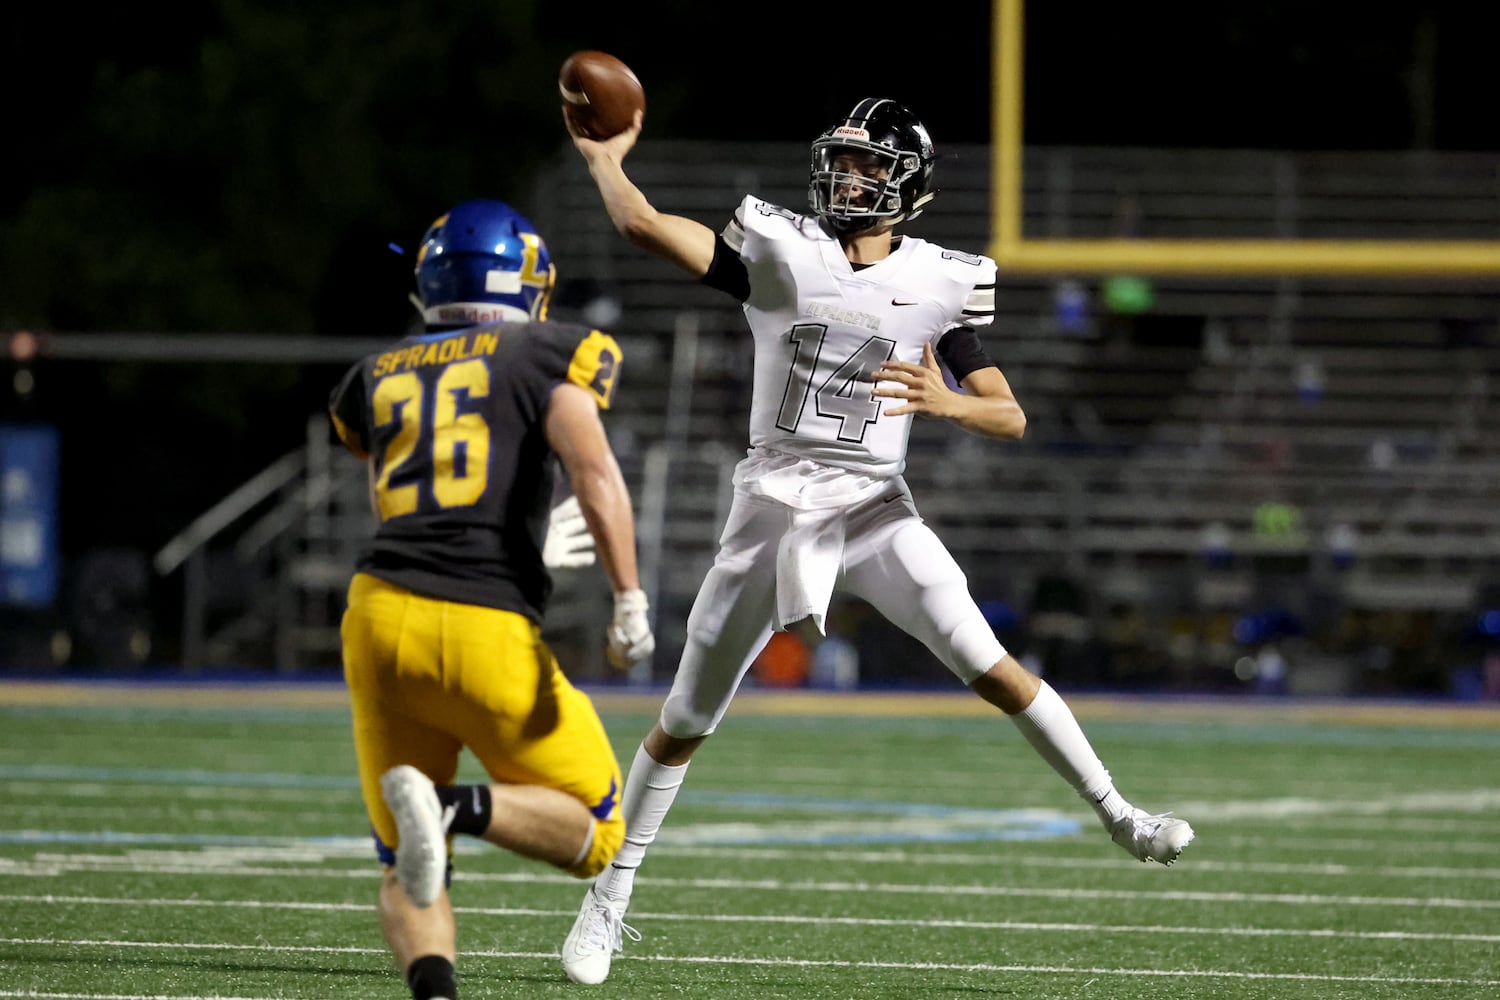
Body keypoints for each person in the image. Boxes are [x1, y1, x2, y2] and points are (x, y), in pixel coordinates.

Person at [559, 98, 1195, 984]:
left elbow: (1009, 416)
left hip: (873, 508)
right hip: (773, 501)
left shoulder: (940, 281)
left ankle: (1119, 811)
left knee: (991, 662)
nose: (848, 178)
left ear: (910, 187)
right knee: (687, 716)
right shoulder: (781, 250)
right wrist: (605, 157)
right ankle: (609, 892)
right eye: (843, 162)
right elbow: (640, 223)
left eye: (868, 167)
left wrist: (947, 402)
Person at [327, 198, 656, 1000]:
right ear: (525, 283)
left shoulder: (378, 373)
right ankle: (451, 807)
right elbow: (593, 471)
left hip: (376, 616)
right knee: (602, 828)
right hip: (481, 623)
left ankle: (434, 989)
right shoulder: (548, 349)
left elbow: (406, 505)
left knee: (400, 859)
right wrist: (629, 598)